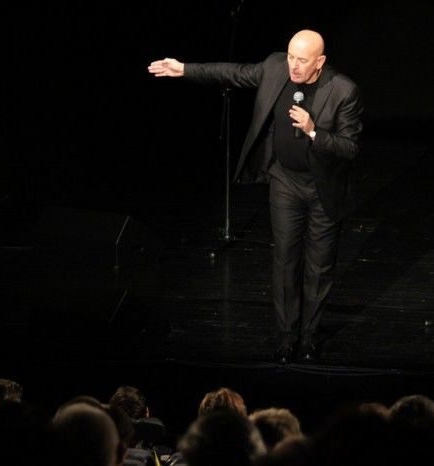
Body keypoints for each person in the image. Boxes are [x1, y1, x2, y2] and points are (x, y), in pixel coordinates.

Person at [148, 29, 363, 364]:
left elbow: (350, 148)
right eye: (290, 56)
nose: (293, 65)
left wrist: (313, 131)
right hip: (285, 181)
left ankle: (309, 337)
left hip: (323, 188)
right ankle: (286, 336)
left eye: (302, 60)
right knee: (285, 260)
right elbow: (233, 73)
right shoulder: (275, 67)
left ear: (320, 61)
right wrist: (185, 69)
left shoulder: (343, 90)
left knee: (319, 266)